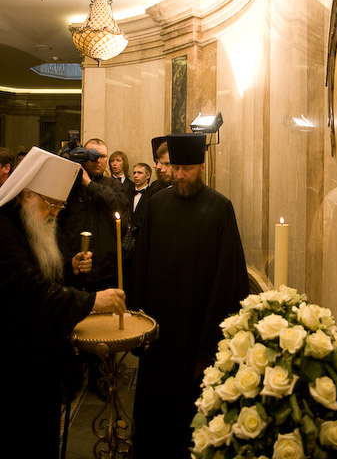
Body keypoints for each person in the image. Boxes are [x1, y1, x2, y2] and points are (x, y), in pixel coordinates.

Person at [127, 133, 249, 459]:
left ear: (202, 167)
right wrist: (138, 320)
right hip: (158, 328)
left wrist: (212, 342)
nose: (180, 175)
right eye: (176, 168)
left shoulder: (220, 207)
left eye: (188, 169)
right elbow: (141, 264)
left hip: (197, 329)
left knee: (190, 417)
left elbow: (228, 276)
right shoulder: (157, 204)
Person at [0, 146, 125, 459]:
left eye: (60, 205)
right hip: (14, 364)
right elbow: (30, 290)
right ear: (28, 195)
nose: (56, 213)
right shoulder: (3, 230)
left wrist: (69, 268)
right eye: (52, 204)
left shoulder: (29, 222)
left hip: (38, 359)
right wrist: (93, 301)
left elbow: (43, 275)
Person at [57, 137, 129, 398]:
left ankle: (101, 380)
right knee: (74, 327)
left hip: (105, 269)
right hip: (75, 271)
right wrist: (69, 261)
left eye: (103, 156)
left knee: (103, 331)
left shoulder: (111, 185)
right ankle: (71, 379)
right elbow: (58, 228)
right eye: (93, 155)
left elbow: (119, 206)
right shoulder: (68, 188)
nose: (100, 161)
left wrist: (90, 184)